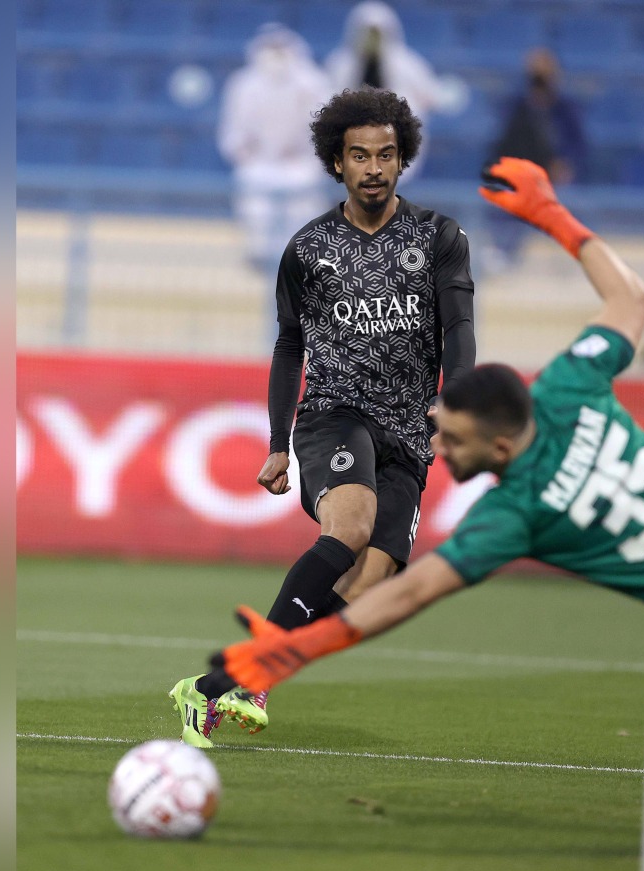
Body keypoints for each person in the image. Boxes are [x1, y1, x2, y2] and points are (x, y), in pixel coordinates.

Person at [209, 157, 644, 762]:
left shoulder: (514, 513)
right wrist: (552, 216)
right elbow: (632, 299)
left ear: (496, 449)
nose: (437, 447)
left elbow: (411, 595)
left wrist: (296, 648)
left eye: (453, 441)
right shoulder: (566, 386)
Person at [170, 89, 477, 748]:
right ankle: (254, 679)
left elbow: (460, 332)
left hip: (410, 432)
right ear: (336, 163)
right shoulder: (309, 249)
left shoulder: (440, 239)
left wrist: (461, 411)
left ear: (403, 160)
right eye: (359, 155)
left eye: (387, 155)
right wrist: (278, 441)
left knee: (371, 580)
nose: (374, 167)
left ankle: (211, 689)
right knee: (353, 524)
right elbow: (289, 345)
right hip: (333, 415)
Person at [217, 23, 333, 283]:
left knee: (303, 195)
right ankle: (261, 257)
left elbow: (325, 131)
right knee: (253, 186)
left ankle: (303, 258)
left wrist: (304, 150)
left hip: (299, 164)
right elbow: (231, 132)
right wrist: (246, 148)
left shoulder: (313, 82)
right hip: (260, 163)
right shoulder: (243, 84)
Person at [485, 49, 588, 271]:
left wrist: (565, 164)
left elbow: (577, 145)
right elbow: (504, 145)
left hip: (554, 177)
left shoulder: (565, 109)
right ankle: (503, 252)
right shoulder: (518, 107)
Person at [324, 2, 446, 182]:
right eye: (367, 33)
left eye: (376, 33)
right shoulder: (341, 63)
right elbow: (326, 98)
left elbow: (431, 95)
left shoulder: (408, 64)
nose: (371, 39)